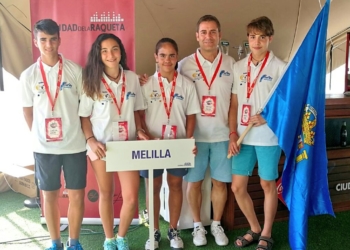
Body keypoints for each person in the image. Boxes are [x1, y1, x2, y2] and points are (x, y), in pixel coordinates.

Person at [20, 19, 87, 250]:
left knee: (77, 195)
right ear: (36, 41)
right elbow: (27, 110)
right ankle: (55, 243)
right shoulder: (28, 75)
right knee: (49, 196)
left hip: (75, 145)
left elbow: (84, 108)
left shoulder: (74, 70)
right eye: (43, 40)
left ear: (59, 39)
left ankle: (74, 242)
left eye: (52, 39)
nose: (48, 45)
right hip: (44, 148)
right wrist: (39, 135)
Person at [79, 33, 147, 250]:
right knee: (106, 193)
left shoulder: (132, 78)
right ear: (98, 55)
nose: (110, 54)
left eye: (115, 48)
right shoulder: (91, 81)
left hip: (127, 147)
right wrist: (90, 140)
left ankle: (122, 236)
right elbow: (84, 117)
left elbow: (137, 111)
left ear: (121, 52)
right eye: (105, 50)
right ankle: (109, 239)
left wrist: (142, 131)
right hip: (102, 147)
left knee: (130, 196)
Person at [228, 16, 286, 250]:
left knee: (267, 185)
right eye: (253, 37)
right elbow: (233, 104)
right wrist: (233, 133)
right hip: (242, 136)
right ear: (248, 39)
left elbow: (285, 105)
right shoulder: (238, 66)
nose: (257, 41)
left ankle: (267, 233)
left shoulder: (280, 67)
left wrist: (267, 117)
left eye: (262, 37)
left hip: (268, 138)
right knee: (237, 187)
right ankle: (254, 228)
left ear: (270, 38)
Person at [178, 15, 235, 247]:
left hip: (222, 135)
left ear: (220, 35)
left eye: (213, 32)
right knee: (194, 183)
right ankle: (197, 225)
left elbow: (234, 103)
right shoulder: (184, 64)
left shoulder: (232, 64)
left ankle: (216, 223)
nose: (208, 36)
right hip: (195, 137)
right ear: (197, 36)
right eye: (204, 32)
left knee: (220, 183)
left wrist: (233, 132)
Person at [139, 38, 200, 250]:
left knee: (175, 186)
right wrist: (144, 134)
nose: (167, 59)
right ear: (155, 57)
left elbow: (191, 115)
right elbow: (138, 113)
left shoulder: (187, 84)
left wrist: (189, 139)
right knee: (153, 187)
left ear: (177, 58)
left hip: (178, 144)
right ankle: (153, 232)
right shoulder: (145, 84)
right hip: (152, 146)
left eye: (172, 55)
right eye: (162, 55)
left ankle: (173, 230)